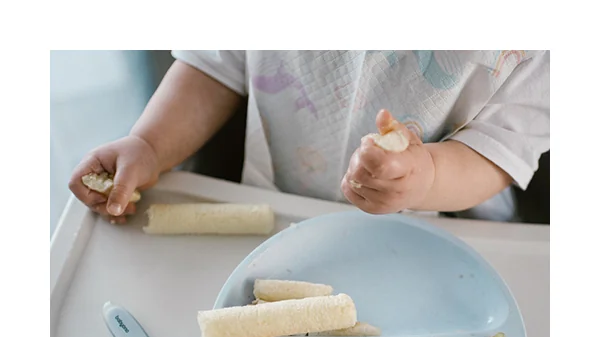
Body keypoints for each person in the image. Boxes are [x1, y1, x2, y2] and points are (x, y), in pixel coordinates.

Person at [69, 50, 549, 224]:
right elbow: (217, 62)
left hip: (433, 223)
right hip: (274, 199)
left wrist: (425, 178)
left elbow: (500, 147)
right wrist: (151, 144)